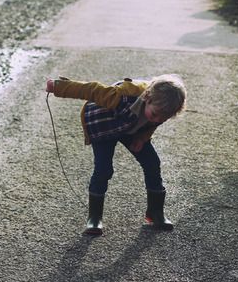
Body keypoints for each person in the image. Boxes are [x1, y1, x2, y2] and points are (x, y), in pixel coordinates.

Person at [45, 74, 186, 236]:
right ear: (147, 97)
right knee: (104, 169)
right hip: (104, 125)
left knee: (152, 163)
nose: (158, 119)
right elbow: (90, 89)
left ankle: (155, 213)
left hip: (131, 128)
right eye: (155, 115)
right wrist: (58, 87)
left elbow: (152, 124)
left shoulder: (163, 109)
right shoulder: (121, 95)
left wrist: (142, 138)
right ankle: (94, 217)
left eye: (163, 118)